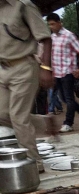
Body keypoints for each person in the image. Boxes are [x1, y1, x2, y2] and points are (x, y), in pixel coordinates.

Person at [0, 0, 54, 173]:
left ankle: (34, 162)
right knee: (2, 114)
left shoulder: (23, 5)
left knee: (18, 117)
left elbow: (45, 38)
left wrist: (45, 68)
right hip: (2, 69)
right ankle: (44, 123)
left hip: (24, 67)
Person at [46, 13, 79, 133]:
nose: (51, 26)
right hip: (57, 72)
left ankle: (68, 123)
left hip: (68, 72)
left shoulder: (68, 35)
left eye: (52, 24)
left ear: (59, 22)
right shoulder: (52, 37)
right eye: (49, 24)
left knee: (69, 98)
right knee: (64, 98)